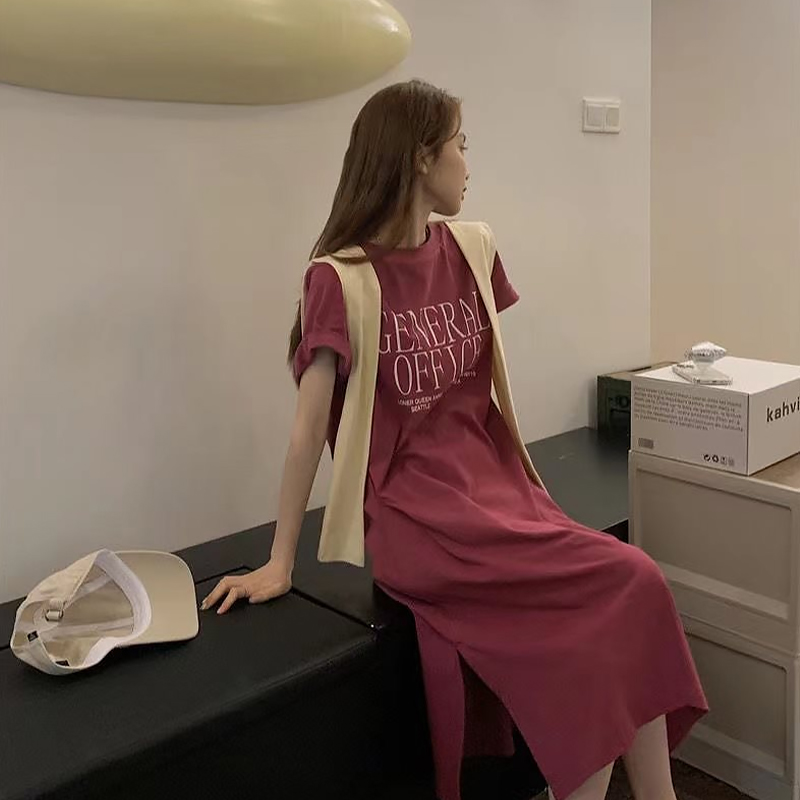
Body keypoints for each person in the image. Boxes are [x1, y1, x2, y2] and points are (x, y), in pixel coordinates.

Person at [201, 79, 708, 800]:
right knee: (625, 585)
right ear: (419, 158)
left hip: (498, 492)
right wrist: (281, 562)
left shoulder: (472, 250)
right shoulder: (339, 280)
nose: (468, 164)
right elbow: (308, 430)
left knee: (633, 591)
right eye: (460, 147)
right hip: (420, 520)